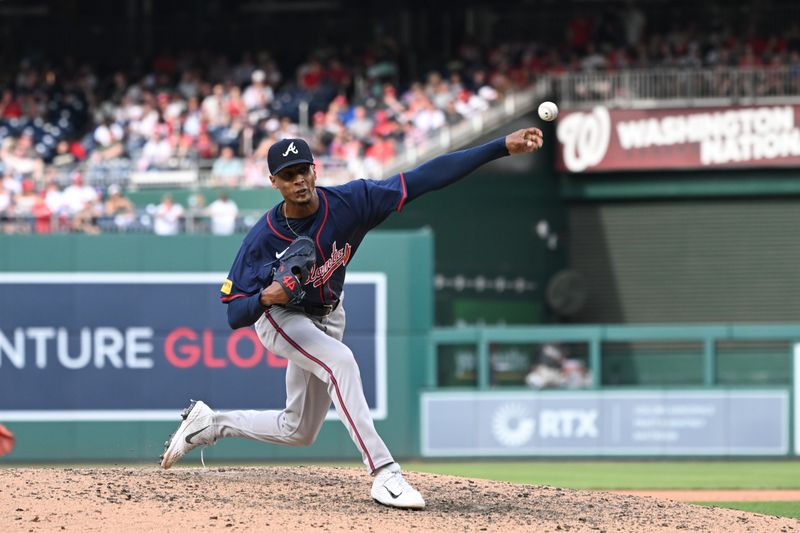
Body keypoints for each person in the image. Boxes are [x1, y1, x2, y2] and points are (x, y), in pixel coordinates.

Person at [159, 128, 544, 509]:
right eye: (288, 175)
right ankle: (384, 472)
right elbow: (233, 313)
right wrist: (265, 296)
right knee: (341, 361)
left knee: (299, 430)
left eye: (303, 170)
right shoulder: (263, 239)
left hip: (329, 312)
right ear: (274, 181)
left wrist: (499, 147)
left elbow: (425, 177)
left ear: (315, 170)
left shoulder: (352, 201)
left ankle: (209, 425)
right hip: (280, 316)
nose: (299, 181)